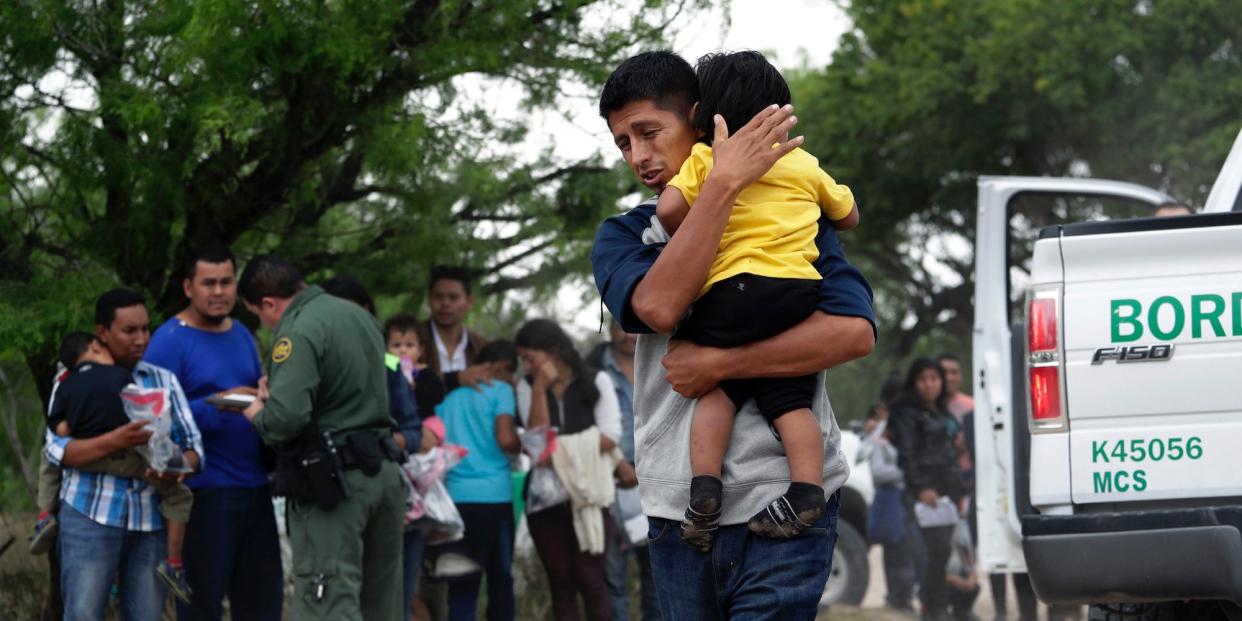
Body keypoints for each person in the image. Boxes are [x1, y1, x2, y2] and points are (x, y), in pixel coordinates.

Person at [592, 50, 875, 618]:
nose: (639, 156)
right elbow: (661, 307)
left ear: (698, 122)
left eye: (649, 132)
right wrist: (720, 183)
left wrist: (719, 366)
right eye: (624, 143)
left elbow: (851, 335)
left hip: (788, 504)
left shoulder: (797, 219)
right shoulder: (624, 234)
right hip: (680, 512)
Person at [649, 50, 858, 549]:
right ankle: (807, 489)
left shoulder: (707, 160)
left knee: (716, 389)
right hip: (798, 292)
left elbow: (669, 209)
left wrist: (710, 211)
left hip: (735, 288)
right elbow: (847, 214)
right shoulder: (803, 162)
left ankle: (704, 495)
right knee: (788, 397)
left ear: (702, 119)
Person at [237, 256, 405, 620]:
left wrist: (254, 411)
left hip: (334, 484)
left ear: (268, 303)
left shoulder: (297, 329)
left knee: (325, 604)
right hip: (383, 474)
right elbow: (344, 390)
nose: (266, 325)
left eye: (259, 315)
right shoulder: (361, 317)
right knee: (382, 604)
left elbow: (286, 420)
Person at [46, 287, 205, 620]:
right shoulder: (69, 381)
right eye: (129, 331)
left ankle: (172, 566)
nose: (141, 339)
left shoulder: (162, 381)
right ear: (102, 334)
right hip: (89, 515)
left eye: (146, 329)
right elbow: (59, 451)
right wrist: (117, 439)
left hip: (151, 522)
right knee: (83, 614)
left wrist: (175, 467)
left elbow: (195, 451)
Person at [142, 246, 283, 620]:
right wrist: (219, 403)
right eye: (209, 283)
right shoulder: (169, 339)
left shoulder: (241, 334)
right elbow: (150, 420)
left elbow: (254, 393)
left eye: (226, 282)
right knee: (202, 606)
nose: (218, 292)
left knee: (263, 604)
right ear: (189, 287)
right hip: (203, 493)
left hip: (255, 486)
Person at [321, 274, 428, 620]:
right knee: (340, 590)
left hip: (383, 487)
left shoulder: (391, 365)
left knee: (389, 592)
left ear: (367, 311)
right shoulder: (318, 361)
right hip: (333, 493)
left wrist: (391, 441)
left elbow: (413, 430)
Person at [515, 318, 622, 621]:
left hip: (590, 495)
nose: (525, 366)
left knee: (592, 580)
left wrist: (557, 451)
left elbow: (610, 437)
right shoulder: (526, 386)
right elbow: (538, 445)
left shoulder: (595, 380)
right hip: (545, 500)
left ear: (553, 351)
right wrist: (539, 389)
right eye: (521, 359)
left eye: (529, 358)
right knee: (561, 584)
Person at [435, 340, 521, 621]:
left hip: (455, 499)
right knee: (500, 581)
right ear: (495, 367)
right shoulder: (502, 391)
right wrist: (525, 444)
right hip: (494, 498)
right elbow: (506, 438)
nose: (511, 379)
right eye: (509, 372)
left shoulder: (448, 397)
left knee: (462, 584)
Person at [586, 320, 657, 621]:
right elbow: (582, 425)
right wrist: (618, 463)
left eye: (635, 328)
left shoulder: (662, 363)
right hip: (610, 483)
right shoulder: (591, 371)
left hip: (657, 482)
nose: (629, 335)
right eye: (621, 327)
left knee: (657, 576)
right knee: (613, 577)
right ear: (610, 329)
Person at [890, 358, 963, 621]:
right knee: (935, 550)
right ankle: (933, 608)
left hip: (948, 491)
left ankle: (937, 606)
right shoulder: (905, 413)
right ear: (914, 382)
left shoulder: (942, 411)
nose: (929, 384)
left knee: (943, 552)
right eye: (923, 379)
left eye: (934, 378)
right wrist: (921, 488)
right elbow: (907, 455)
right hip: (925, 493)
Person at [862, 374, 917, 614]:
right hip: (892, 497)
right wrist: (906, 471)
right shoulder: (883, 431)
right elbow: (878, 471)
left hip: (906, 497)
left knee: (906, 551)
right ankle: (898, 599)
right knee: (898, 551)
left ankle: (901, 598)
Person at [417, 266, 491, 390]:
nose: (445, 304)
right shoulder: (408, 338)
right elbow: (388, 367)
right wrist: (456, 379)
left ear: (469, 301)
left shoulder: (482, 347)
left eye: (453, 298)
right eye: (439, 297)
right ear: (429, 298)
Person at [386, 312, 448, 426]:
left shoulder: (425, 373)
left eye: (409, 345)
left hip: (424, 421)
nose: (403, 350)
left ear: (420, 350)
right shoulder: (386, 372)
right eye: (396, 345)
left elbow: (439, 396)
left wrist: (415, 388)